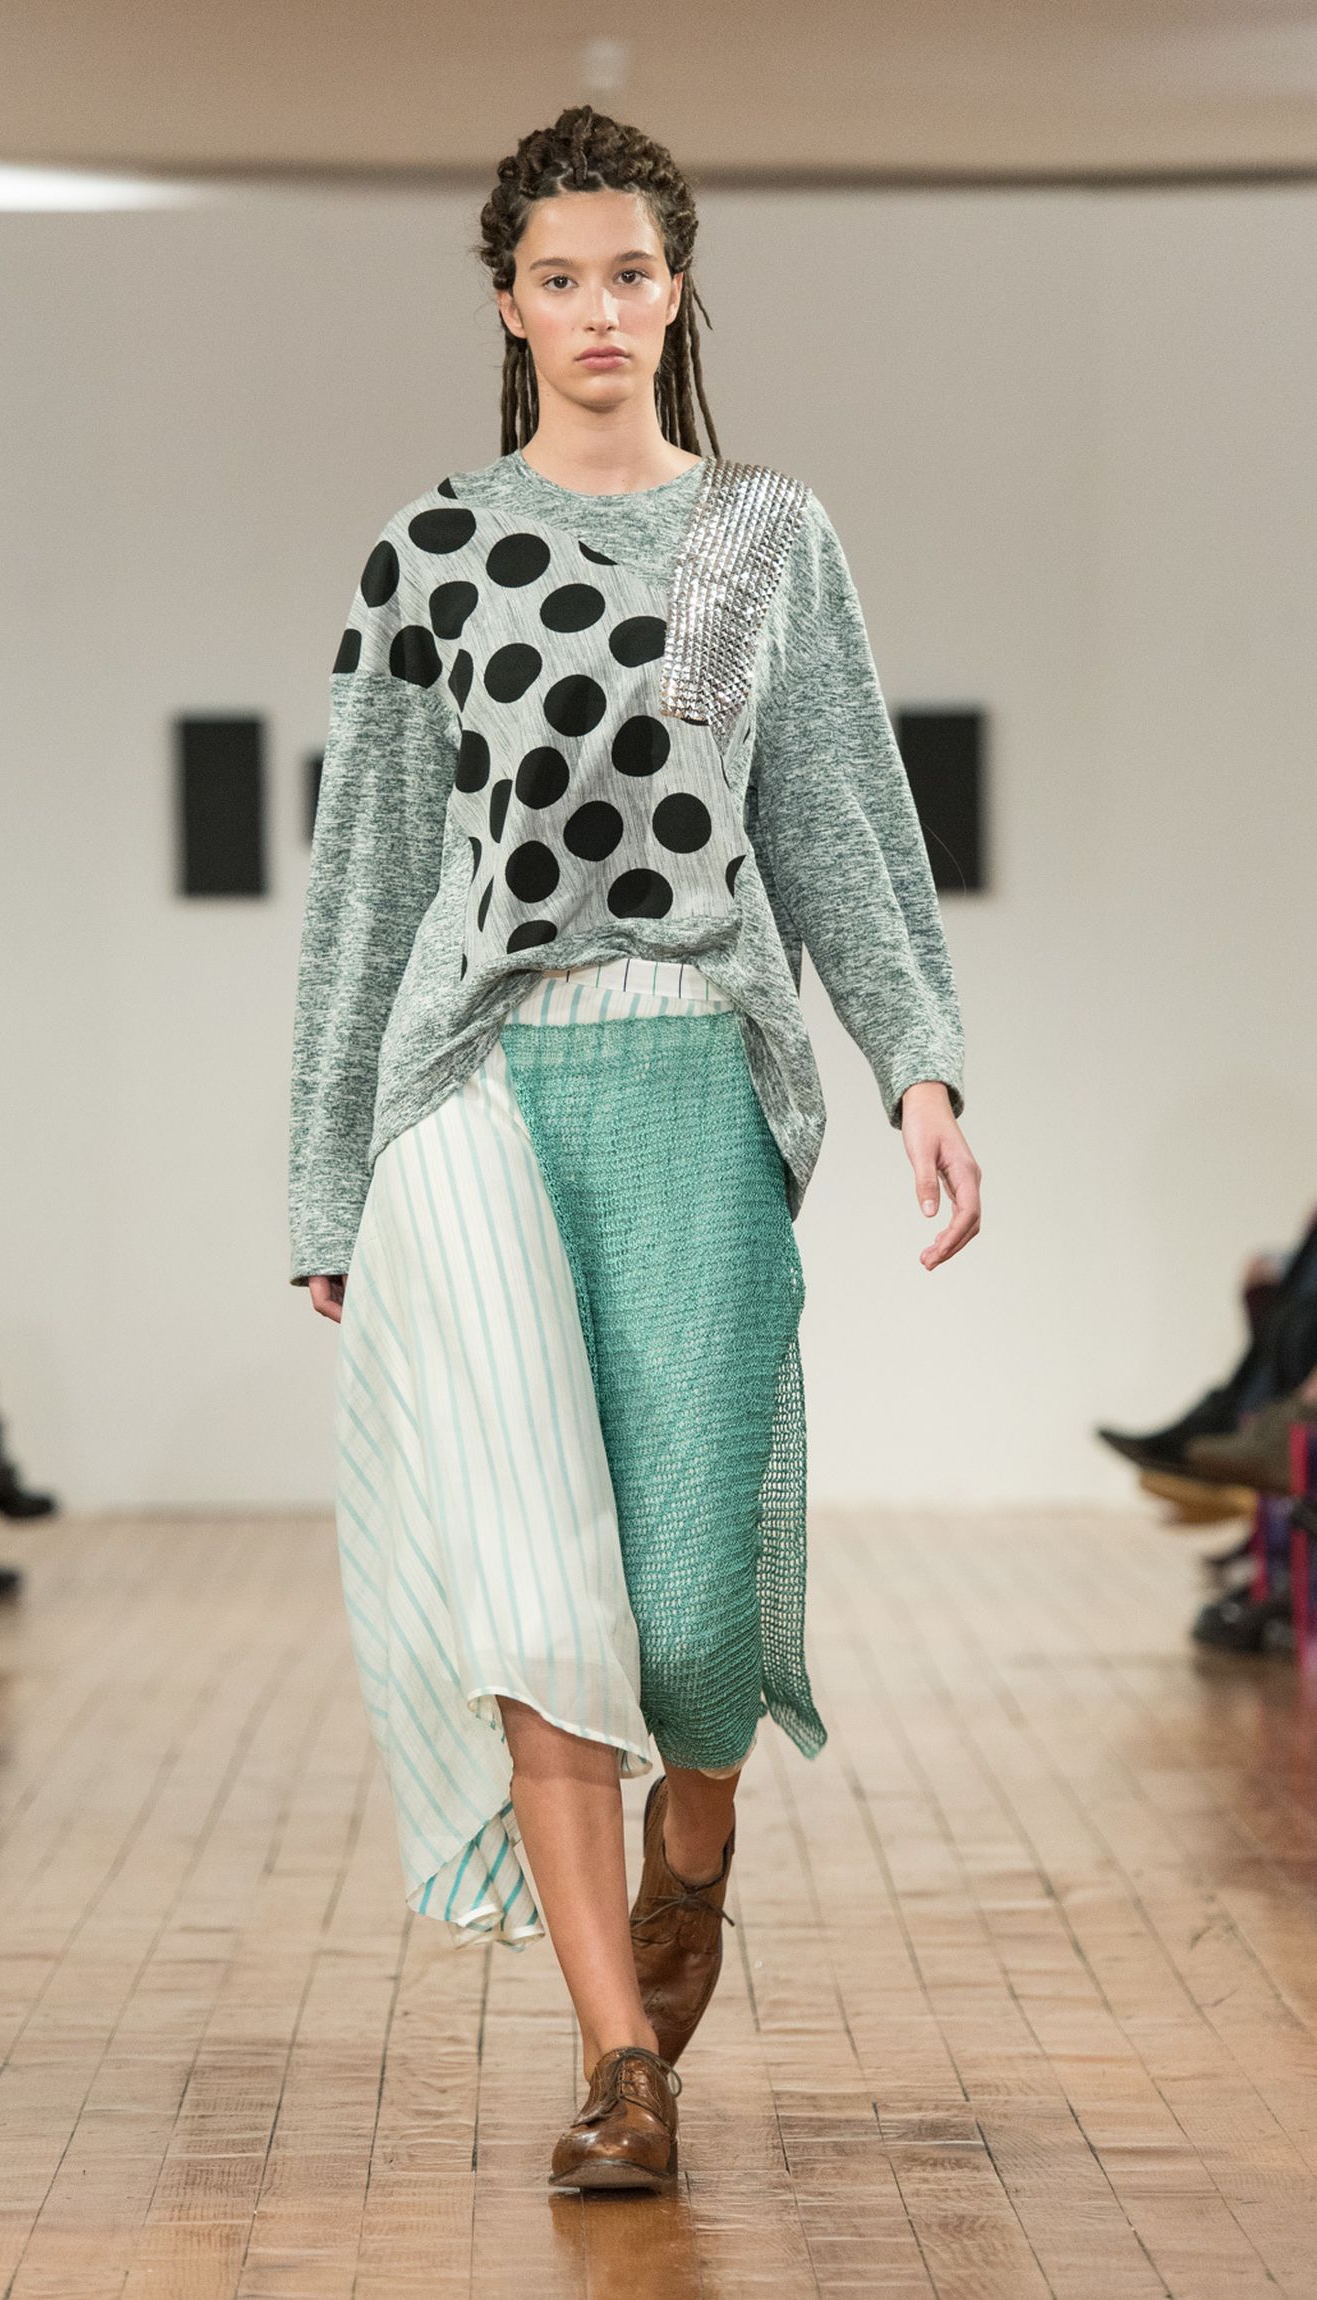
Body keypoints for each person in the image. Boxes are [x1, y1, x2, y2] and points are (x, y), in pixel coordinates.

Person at [286, 104, 982, 2194]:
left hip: (696, 1082)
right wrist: (327, 1176)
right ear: (508, 306)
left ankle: (703, 1838)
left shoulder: (763, 539)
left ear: (679, 294)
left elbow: (838, 815)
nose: (599, 310)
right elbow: (368, 880)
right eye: (559, 278)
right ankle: (619, 2063)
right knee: (535, 1596)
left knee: (686, 1628)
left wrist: (919, 1067)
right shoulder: (430, 552)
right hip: (478, 1096)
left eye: (633, 274)